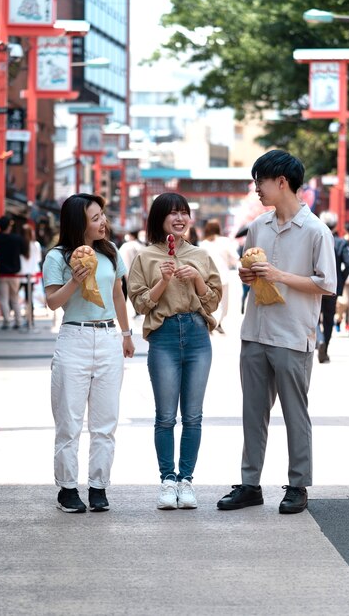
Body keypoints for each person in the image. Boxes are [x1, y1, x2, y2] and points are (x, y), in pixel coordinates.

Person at [217, 150, 336, 515]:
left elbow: (327, 284)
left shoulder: (316, 230)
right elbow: (251, 273)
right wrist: (247, 275)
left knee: (295, 412)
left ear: (281, 182)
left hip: (292, 334)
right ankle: (250, 484)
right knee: (253, 412)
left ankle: (298, 485)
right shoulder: (258, 227)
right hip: (255, 330)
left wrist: (280, 276)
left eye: (260, 182)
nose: (257, 189)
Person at [128, 192, 222, 510]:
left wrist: (196, 279)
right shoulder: (145, 258)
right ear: (159, 218)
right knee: (165, 416)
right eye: (172, 213)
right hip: (164, 335)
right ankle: (168, 480)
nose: (179, 218)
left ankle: (187, 481)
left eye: (184, 213)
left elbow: (213, 301)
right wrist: (162, 282)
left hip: (197, 334)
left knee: (193, 416)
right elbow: (140, 303)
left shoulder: (200, 255)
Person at [42, 193, 135, 513]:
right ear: (77, 223)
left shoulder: (110, 253)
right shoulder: (58, 257)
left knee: (105, 421)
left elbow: (118, 296)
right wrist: (76, 281)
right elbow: (53, 302)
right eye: (95, 218)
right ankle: (67, 489)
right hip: (74, 338)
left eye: (102, 216)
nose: (102, 222)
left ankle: (99, 487)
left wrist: (126, 334)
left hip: (109, 338)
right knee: (68, 420)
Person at [316, 211, 349, 363]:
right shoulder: (341, 242)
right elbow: (348, 264)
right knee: (329, 318)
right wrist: (340, 280)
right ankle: (326, 347)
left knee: (314, 317)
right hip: (332, 286)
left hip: (314, 283)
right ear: (336, 225)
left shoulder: (316, 238)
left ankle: (320, 339)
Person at [200, 219, 239, 333]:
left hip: (206, 277)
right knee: (223, 302)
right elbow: (234, 258)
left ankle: (210, 322)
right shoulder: (225, 241)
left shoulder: (203, 244)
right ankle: (218, 323)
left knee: (208, 300)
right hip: (223, 276)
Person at [0, 215, 25, 330]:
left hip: (0, 273)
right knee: (14, 298)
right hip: (14, 273)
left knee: (3, 298)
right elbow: (23, 251)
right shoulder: (17, 239)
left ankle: (6, 321)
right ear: (8, 226)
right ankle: (18, 321)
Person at [19, 223, 42, 326]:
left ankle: (23, 318)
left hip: (20, 274)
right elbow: (38, 259)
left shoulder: (19, 244)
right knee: (29, 298)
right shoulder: (35, 245)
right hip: (31, 274)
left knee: (17, 297)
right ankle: (30, 319)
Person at [118, 230, 145, 300]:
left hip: (128, 276)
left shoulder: (126, 246)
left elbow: (124, 264)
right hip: (139, 278)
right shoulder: (141, 245)